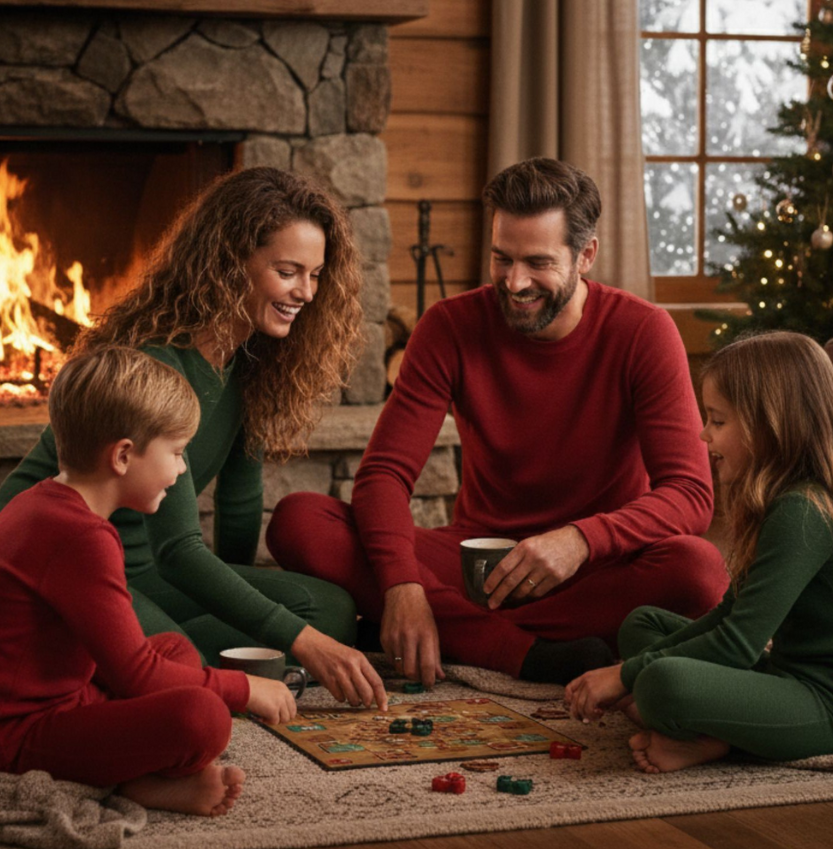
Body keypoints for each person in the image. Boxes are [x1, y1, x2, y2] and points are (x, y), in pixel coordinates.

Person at [0, 167, 390, 709]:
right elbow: (181, 551)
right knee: (179, 673)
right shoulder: (158, 367)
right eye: (287, 271)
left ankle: (156, 645)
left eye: (315, 275)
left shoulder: (252, 363)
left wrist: (250, 624)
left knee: (332, 612)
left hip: (153, 577)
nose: (307, 293)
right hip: (61, 566)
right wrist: (295, 642)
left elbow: (239, 508)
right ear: (228, 261)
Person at [268, 158, 729, 685]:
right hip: (480, 569)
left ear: (587, 256)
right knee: (299, 521)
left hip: (595, 567)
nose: (514, 283)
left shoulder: (645, 332)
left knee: (699, 570)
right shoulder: (449, 326)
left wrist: (579, 540)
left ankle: (456, 633)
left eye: (538, 262)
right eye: (501, 258)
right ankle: (521, 651)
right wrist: (403, 587)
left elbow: (690, 494)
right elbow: (384, 476)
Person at [0, 346, 298, 816]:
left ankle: (136, 776)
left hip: (43, 695)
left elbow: (128, 660)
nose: (183, 469)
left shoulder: (49, 503)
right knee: (202, 718)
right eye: (178, 453)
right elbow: (133, 675)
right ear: (123, 456)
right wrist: (246, 689)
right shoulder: (81, 537)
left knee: (176, 652)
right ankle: (136, 782)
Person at [564, 331, 833, 774]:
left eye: (717, 421)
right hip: (789, 677)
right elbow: (730, 618)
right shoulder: (789, 499)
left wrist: (625, 676)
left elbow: (737, 645)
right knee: (644, 625)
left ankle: (713, 739)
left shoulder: (804, 511)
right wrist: (630, 671)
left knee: (661, 682)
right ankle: (707, 730)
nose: (703, 434)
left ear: (768, 427)